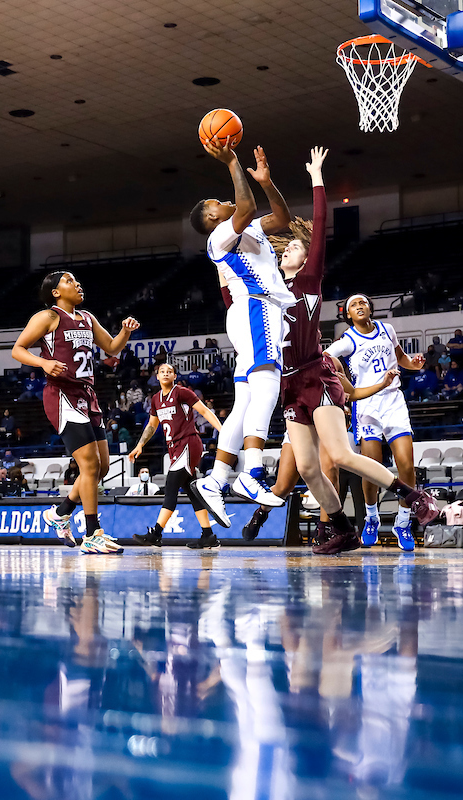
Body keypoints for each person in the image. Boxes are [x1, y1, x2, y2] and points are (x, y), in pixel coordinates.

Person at [222, 148, 437, 553]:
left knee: (337, 454)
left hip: (313, 374)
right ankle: (341, 528)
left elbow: (319, 226)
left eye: (295, 249)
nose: (289, 250)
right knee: (306, 467)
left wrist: (316, 178)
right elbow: (229, 290)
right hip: (283, 385)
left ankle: (413, 496)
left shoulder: (309, 282)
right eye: (284, 249)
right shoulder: (260, 291)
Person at [188, 139, 295, 516]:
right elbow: (245, 205)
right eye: (217, 202)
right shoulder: (220, 237)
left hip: (250, 313)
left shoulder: (250, 228)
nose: (224, 199)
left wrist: (266, 182)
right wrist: (232, 160)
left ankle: (215, 480)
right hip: (254, 306)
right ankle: (252, 471)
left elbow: (281, 219)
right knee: (268, 378)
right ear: (212, 219)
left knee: (246, 400)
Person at [11, 271, 139, 554]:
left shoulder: (88, 318)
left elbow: (111, 348)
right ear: (55, 292)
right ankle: (92, 533)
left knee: (101, 467)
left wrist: (125, 332)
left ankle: (60, 513)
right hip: (62, 395)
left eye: (78, 280)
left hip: (88, 395)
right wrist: (43, 364)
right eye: (69, 281)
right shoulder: (48, 317)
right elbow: (18, 350)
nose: (78, 284)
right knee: (90, 466)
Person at [325, 293, 428, 551]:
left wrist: (413, 365)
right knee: (371, 467)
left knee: (406, 466)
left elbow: (401, 358)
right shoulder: (347, 340)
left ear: (370, 308)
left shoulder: (387, 329)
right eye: (353, 305)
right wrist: (338, 375)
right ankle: (371, 517)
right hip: (368, 404)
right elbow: (324, 357)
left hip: (393, 400)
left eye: (363, 303)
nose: (359, 306)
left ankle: (402, 523)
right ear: (348, 314)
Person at [128, 363, 223, 546]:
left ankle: (156, 533)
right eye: (162, 371)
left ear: (175, 376)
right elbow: (151, 426)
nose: (165, 374)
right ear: (157, 376)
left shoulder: (182, 392)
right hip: (175, 449)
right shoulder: (155, 399)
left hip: (188, 443)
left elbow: (204, 410)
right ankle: (208, 535)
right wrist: (140, 445)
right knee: (191, 491)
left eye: (169, 372)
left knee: (171, 487)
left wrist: (222, 431)